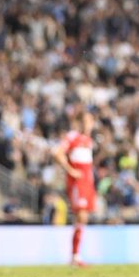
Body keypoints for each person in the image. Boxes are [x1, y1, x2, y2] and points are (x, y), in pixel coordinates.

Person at [53, 109, 97, 267]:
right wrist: (70, 170)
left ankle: (75, 256)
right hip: (77, 183)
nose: (89, 124)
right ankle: (75, 256)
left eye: (91, 121)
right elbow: (58, 153)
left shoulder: (88, 141)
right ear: (79, 122)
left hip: (87, 183)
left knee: (82, 218)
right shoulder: (73, 137)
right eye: (86, 121)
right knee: (81, 216)